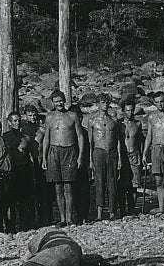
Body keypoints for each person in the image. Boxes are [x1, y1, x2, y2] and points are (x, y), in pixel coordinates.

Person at [40, 90, 85, 226]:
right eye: (56, 101)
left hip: (69, 151)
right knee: (57, 186)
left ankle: (70, 218)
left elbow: (80, 136)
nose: (59, 103)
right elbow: (46, 138)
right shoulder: (49, 117)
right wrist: (44, 157)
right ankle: (62, 218)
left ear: (64, 100)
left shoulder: (72, 116)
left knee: (68, 186)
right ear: (52, 103)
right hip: (53, 152)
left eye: (61, 100)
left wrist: (80, 156)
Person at [85, 93, 122, 221]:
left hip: (111, 153)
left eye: (107, 102)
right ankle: (99, 213)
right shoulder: (92, 121)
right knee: (99, 182)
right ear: (98, 104)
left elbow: (117, 140)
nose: (105, 105)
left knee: (112, 182)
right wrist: (90, 160)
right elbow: (90, 142)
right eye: (102, 102)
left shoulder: (114, 120)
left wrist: (119, 159)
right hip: (98, 152)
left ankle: (112, 211)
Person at [3, 112, 35, 232]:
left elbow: (30, 156)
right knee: (10, 201)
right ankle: (10, 227)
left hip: (24, 170)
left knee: (24, 200)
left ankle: (24, 226)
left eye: (19, 120)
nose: (17, 123)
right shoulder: (5, 137)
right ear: (10, 122)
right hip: (12, 171)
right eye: (15, 121)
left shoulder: (25, 137)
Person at [119, 96, 144, 215]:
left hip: (134, 155)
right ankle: (123, 210)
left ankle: (132, 209)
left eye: (132, 110)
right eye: (128, 110)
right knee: (123, 185)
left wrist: (143, 156)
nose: (130, 112)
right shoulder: (119, 124)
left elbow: (140, 141)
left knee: (134, 185)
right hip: (123, 156)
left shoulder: (138, 124)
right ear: (123, 111)